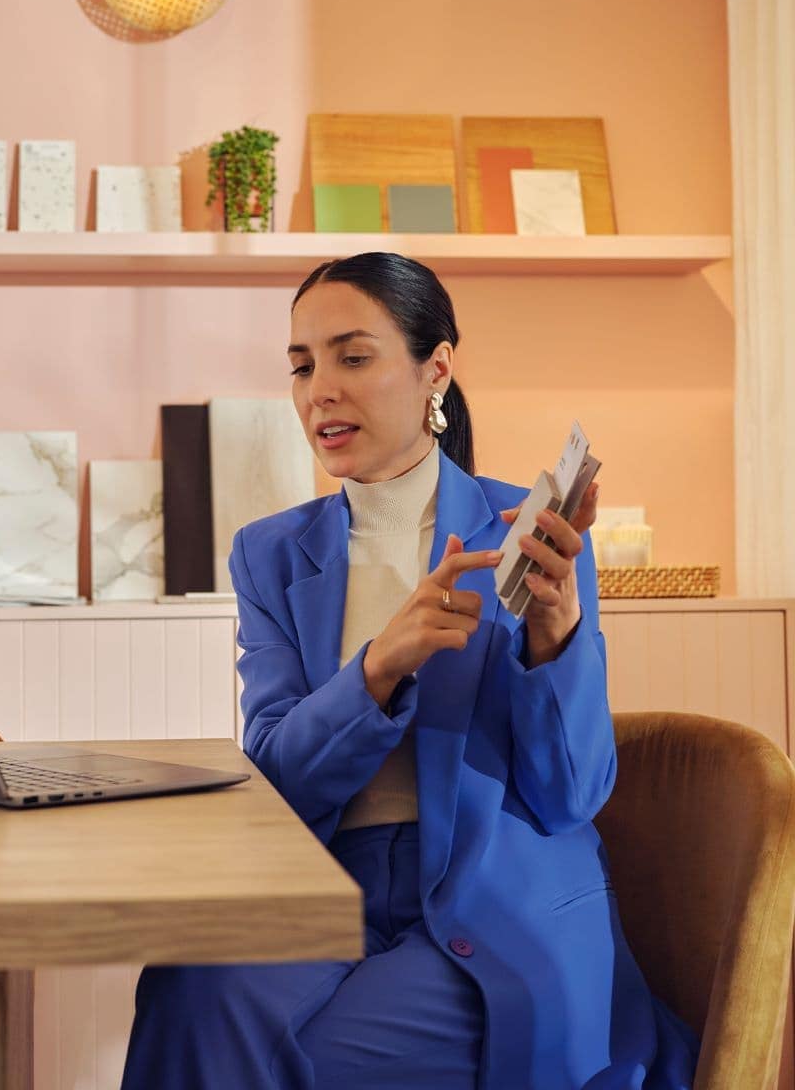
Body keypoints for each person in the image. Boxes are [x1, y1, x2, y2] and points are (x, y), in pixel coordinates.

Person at [120, 252, 699, 1089]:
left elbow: (570, 794)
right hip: (327, 888)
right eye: (301, 365)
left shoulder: (527, 531)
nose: (320, 389)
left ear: (437, 368)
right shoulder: (271, 554)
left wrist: (556, 630)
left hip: (494, 900)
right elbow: (279, 777)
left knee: (310, 1065)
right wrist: (378, 669)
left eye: (353, 357)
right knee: (187, 1000)